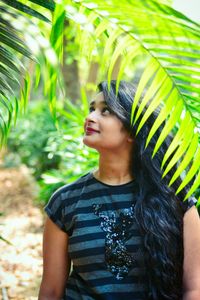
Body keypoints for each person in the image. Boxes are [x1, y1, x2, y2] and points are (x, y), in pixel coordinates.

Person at [38, 80, 200, 300]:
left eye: (105, 111)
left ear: (132, 130)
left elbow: (194, 289)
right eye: (91, 109)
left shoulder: (175, 199)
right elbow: (51, 291)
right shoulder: (65, 201)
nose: (91, 117)